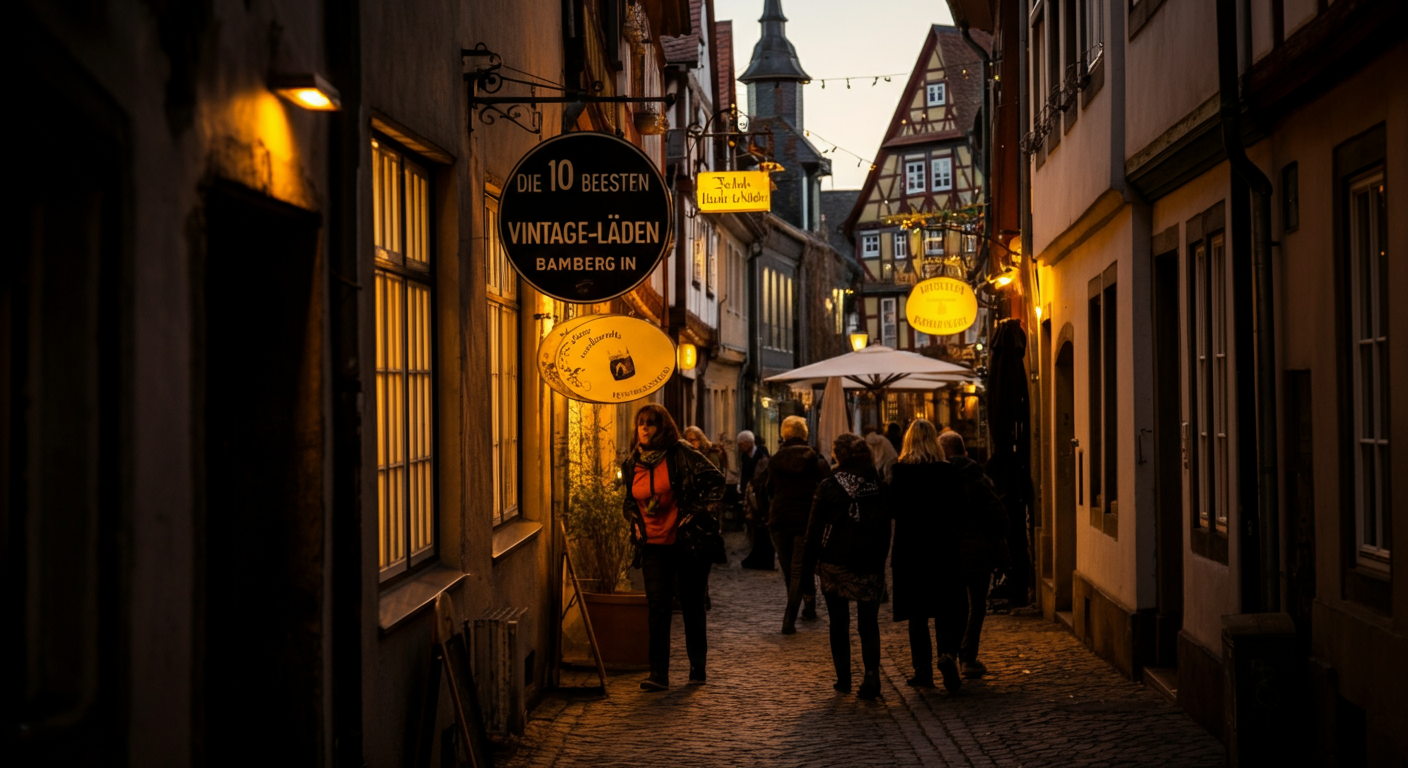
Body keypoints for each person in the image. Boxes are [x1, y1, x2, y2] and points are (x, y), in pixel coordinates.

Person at [621, 404, 725, 690]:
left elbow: (716, 481)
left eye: (651, 424)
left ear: (662, 427)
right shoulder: (632, 462)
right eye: (640, 423)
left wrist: (691, 513)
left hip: (685, 542)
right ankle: (658, 673)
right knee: (657, 606)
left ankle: (697, 667)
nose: (644, 429)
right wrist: (633, 519)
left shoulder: (681, 453)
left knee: (691, 604)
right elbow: (629, 501)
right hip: (652, 544)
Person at [800, 433, 891, 699]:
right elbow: (886, 528)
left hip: (835, 561)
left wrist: (807, 571)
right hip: (870, 561)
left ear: (839, 456)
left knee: (838, 621)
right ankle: (871, 675)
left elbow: (814, 530)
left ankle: (844, 679)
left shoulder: (829, 486)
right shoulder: (880, 486)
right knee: (868, 623)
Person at [887, 418, 966, 691]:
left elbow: (894, 510)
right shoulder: (947, 472)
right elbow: (960, 508)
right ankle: (947, 655)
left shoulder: (900, 472)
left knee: (917, 613)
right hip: (942, 548)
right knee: (946, 607)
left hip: (910, 550)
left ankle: (922, 669)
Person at [940, 430, 1009, 679]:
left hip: (947, 552)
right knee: (976, 605)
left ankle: (947, 652)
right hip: (978, 552)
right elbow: (997, 514)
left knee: (950, 605)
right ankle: (967, 657)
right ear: (964, 451)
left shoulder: (937, 478)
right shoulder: (975, 476)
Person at [759, 415, 831, 633]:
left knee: (790, 569)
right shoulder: (816, 461)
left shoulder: (775, 460)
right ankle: (791, 616)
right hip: (806, 520)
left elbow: (768, 489)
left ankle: (804, 605)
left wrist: (766, 514)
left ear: (784, 435)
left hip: (779, 520)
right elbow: (827, 490)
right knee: (800, 568)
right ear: (804, 434)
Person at [736, 430, 775, 570]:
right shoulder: (745, 456)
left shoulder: (762, 454)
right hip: (750, 493)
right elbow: (744, 473)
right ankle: (756, 555)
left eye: (742, 444)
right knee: (754, 526)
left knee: (761, 526)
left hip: (760, 495)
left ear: (749, 443)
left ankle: (763, 557)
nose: (741, 447)